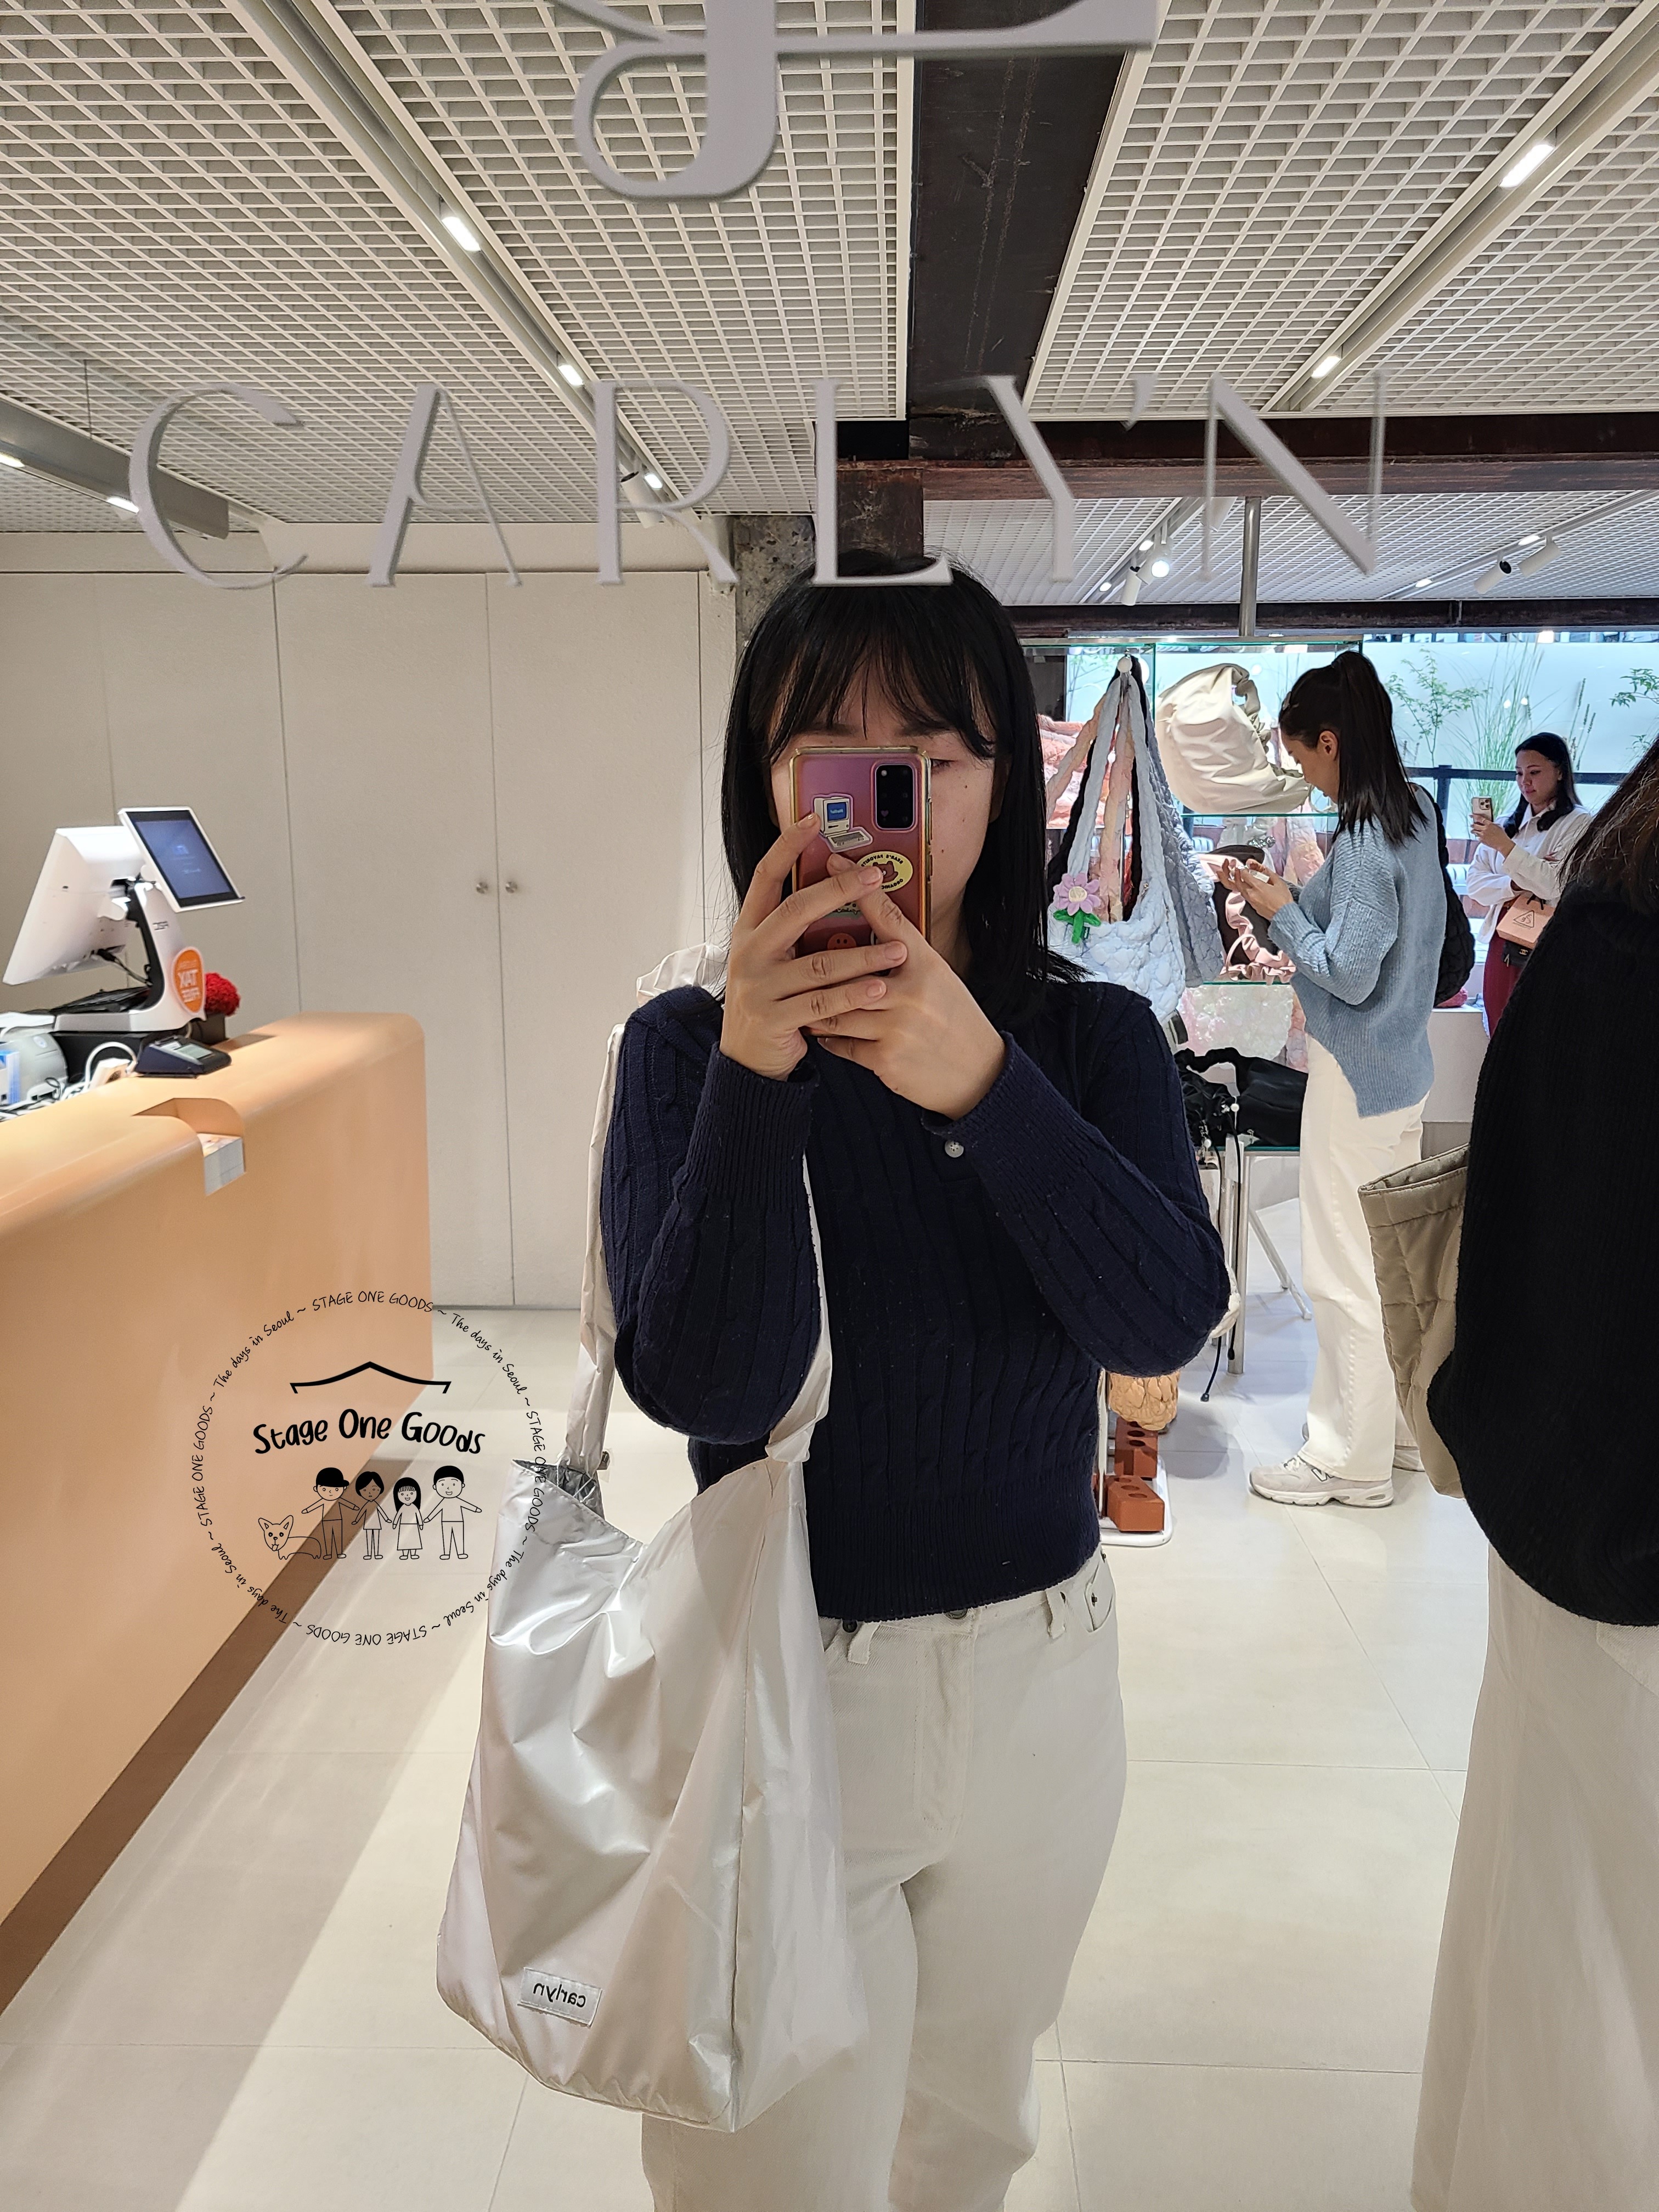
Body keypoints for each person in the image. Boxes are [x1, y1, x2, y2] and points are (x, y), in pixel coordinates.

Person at [601, 556, 1229, 2212]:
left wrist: (986, 1088)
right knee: (767, 2162)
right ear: (765, 783)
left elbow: (1162, 1315)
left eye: (935, 756)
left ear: (1004, 783)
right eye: (831, 756)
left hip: (1044, 1679)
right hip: (789, 1682)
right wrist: (759, 1076)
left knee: (967, 2134)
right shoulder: (685, 1051)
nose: (885, 803)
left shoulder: (1089, 1041)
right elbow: (708, 1387)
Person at [1413, 737, 1659, 2212]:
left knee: (1547, 1941)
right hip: (1593, 1518)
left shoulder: (1611, 881)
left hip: (1559, 1498)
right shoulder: (1596, 887)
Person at [1220, 650, 1444, 1509]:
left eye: (1303, 758)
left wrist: (1281, 915)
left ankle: (1346, 1459)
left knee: (1343, 1269)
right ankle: (1393, 1434)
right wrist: (1280, 900)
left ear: (1330, 741)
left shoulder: (1365, 836)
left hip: (1355, 1077)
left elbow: (1348, 973)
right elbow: (1371, 934)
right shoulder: (1416, 812)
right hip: (1405, 1069)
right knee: (1387, 1264)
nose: (1303, 777)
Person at [1463, 731, 1590, 1029]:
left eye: (1534, 772)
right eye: (1519, 773)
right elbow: (1475, 885)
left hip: (1547, 941)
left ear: (1560, 772)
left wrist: (1507, 849)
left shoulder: (1578, 822)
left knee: (1538, 1029)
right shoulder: (1505, 824)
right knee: (1498, 1024)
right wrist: (1517, 883)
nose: (1525, 782)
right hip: (1503, 936)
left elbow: (1553, 885)